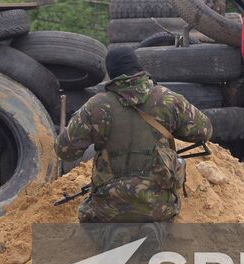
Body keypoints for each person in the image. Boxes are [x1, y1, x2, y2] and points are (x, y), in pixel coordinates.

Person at [57, 46, 213, 234]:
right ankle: (156, 231)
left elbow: (65, 152)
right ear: (138, 68)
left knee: (88, 216)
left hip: (110, 205)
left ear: (112, 73)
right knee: (166, 212)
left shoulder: (97, 106)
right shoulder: (168, 99)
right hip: (158, 204)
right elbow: (204, 131)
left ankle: (111, 234)